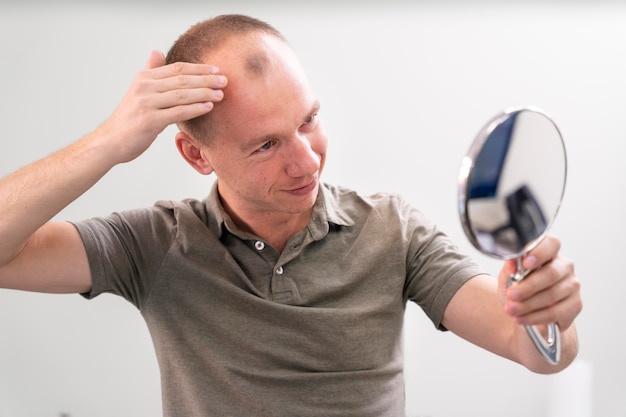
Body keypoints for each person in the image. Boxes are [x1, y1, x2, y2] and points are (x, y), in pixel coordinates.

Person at [0, 14, 581, 417]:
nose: (307, 161)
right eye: (265, 145)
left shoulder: (392, 230)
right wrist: (109, 141)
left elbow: (530, 347)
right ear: (196, 154)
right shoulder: (153, 244)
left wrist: (544, 310)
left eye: (308, 121)